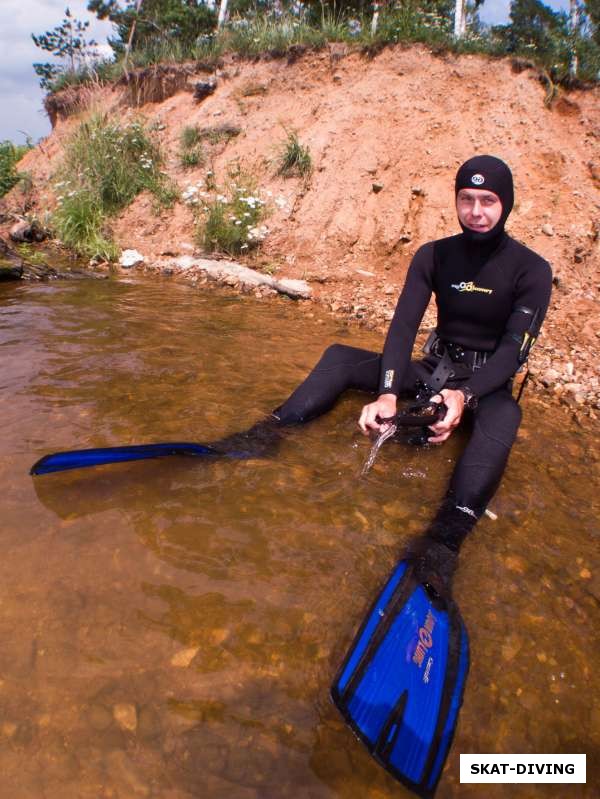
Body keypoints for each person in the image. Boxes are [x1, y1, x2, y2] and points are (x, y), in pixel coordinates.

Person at [221, 155, 553, 585]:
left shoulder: (532, 269)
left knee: (506, 416)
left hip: (486, 384)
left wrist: (463, 395)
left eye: (487, 200)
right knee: (340, 356)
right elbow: (402, 329)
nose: (475, 211)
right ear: (455, 200)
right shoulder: (435, 255)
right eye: (466, 198)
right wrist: (388, 393)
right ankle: (268, 432)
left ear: (505, 204)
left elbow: (514, 351)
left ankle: (443, 542)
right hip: (436, 366)